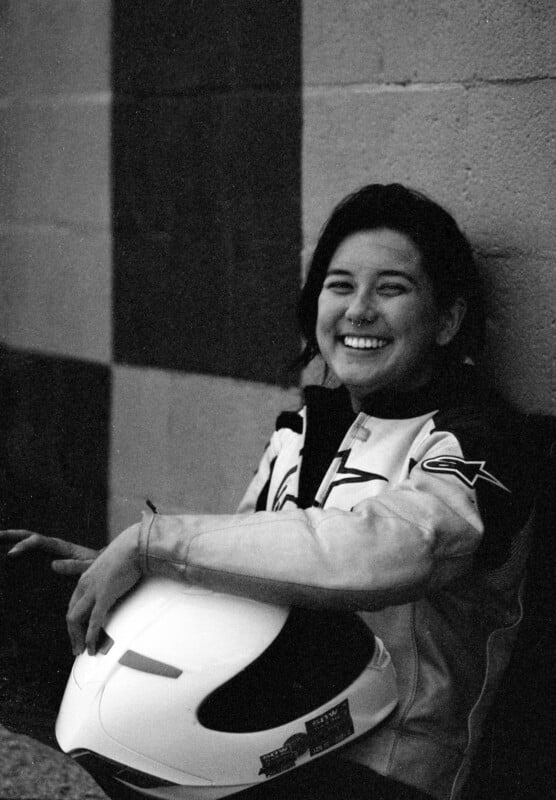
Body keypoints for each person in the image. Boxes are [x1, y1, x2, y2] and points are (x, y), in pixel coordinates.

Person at [0, 184, 539, 800]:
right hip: (263, 748)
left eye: (391, 289)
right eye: (340, 285)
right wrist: (129, 577)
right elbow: (251, 578)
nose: (359, 310)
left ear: (447, 320)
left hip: (388, 773)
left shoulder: (481, 436)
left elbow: (403, 548)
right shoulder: (302, 429)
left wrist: (158, 542)